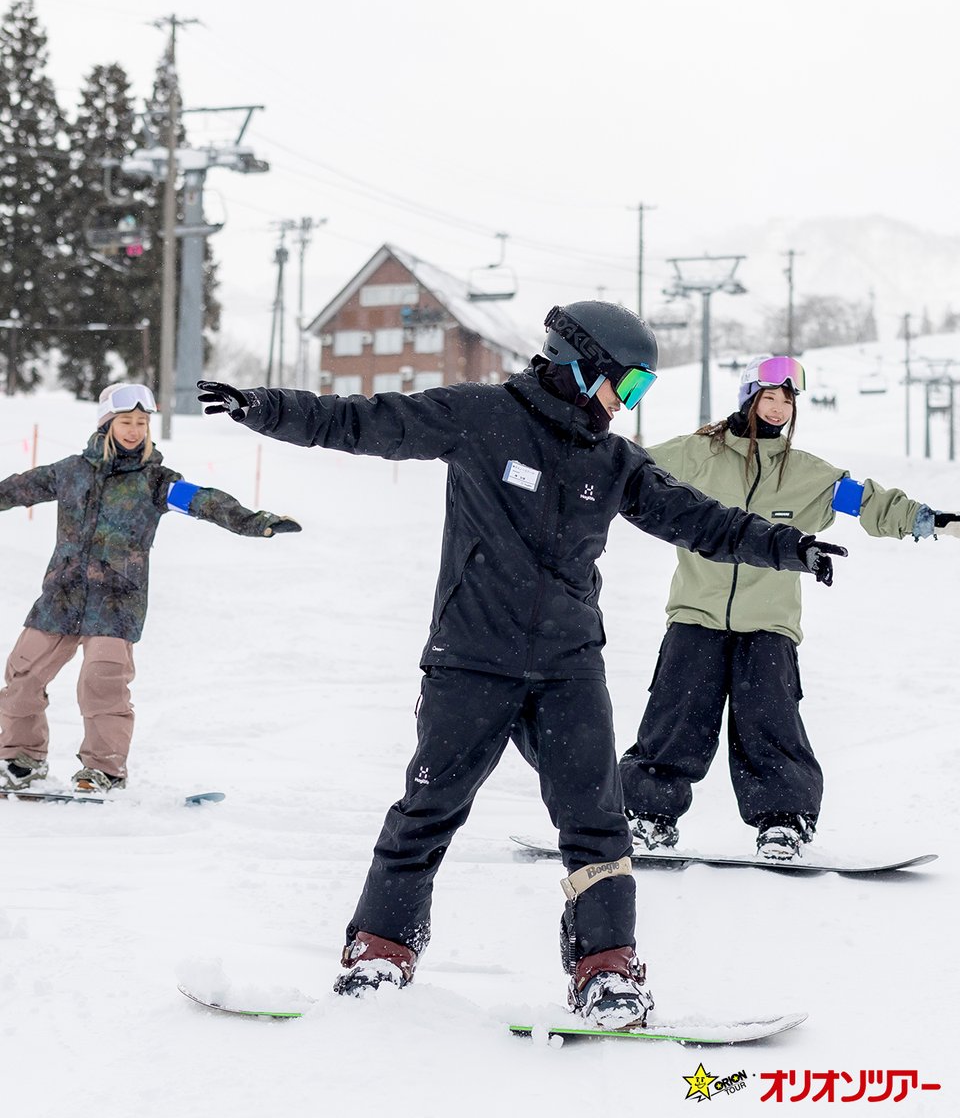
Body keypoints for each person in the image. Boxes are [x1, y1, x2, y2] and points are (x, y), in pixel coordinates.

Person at [197, 304, 845, 1031]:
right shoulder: (481, 416)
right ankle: (379, 953)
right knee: (427, 811)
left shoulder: (615, 460)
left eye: (638, 394)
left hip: (569, 669)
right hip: (470, 660)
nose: (626, 404)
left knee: (597, 823)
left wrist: (790, 547)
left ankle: (607, 971)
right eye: (626, 386)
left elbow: (701, 518)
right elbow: (364, 421)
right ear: (578, 365)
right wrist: (263, 408)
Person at [619, 354, 960, 862]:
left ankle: (783, 822)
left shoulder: (807, 476)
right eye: (770, 397)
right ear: (748, 397)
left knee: (770, 724)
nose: (779, 409)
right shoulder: (695, 456)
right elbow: (625, 470)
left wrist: (931, 521)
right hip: (695, 614)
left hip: (770, 623)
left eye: (787, 400)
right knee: (675, 722)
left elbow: (868, 502)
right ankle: (648, 817)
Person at [0, 382, 301, 796]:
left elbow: (205, 501)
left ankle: (102, 770)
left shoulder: (157, 482)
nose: (134, 430)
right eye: (126, 421)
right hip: (61, 596)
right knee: (22, 674)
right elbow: (15, 489)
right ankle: (20, 759)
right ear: (107, 424)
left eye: (142, 422)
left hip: (116, 601)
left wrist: (253, 521)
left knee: (102, 684)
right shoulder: (69, 472)